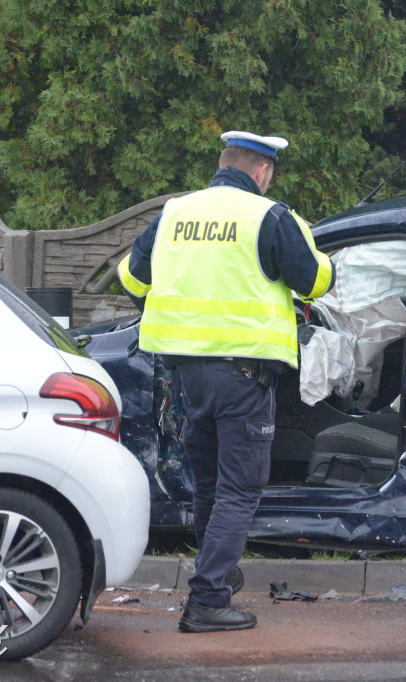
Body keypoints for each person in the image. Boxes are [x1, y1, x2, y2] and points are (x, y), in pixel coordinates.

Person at [118, 131, 334, 632]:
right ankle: (208, 600)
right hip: (244, 376)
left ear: (224, 164)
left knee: (211, 487)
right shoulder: (270, 217)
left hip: (187, 376)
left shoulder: (174, 213)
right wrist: (321, 256)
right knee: (241, 489)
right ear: (263, 171)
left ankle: (220, 574)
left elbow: (131, 279)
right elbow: (316, 281)